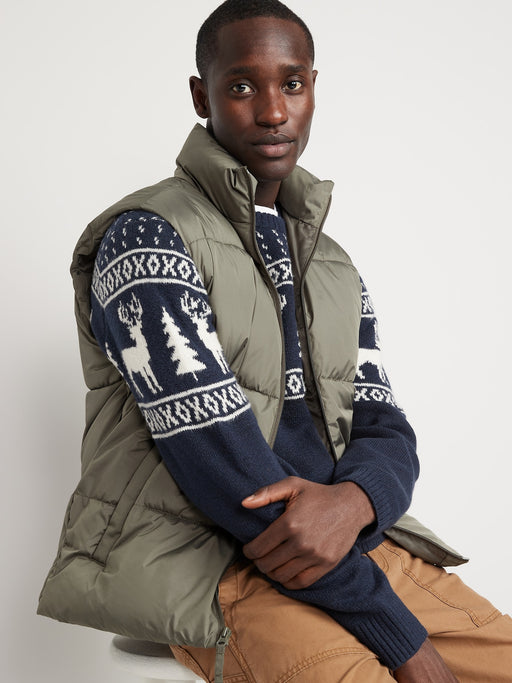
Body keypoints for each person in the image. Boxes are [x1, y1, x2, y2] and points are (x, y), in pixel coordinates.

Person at [37, 1, 512, 681]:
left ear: (313, 87)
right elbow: (223, 469)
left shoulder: (330, 262)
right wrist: (403, 641)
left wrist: (355, 502)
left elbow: (385, 428)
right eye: (241, 86)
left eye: (291, 84)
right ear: (201, 96)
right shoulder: (146, 237)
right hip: (214, 562)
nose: (271, 111)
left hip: (350, 549)